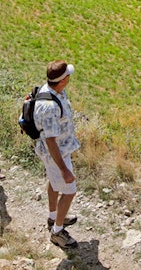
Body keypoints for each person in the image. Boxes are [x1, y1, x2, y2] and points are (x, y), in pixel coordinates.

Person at [35, 61, 81, 250]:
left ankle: (54, 217)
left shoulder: (51, 90)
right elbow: (50, 141)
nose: (70, 77)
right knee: (69, 191)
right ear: (62, 81)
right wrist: (63, 169)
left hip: (58, 152)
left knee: (54, 184)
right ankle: (57, 232)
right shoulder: (50, 107)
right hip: (56, 155)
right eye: (67, 75)